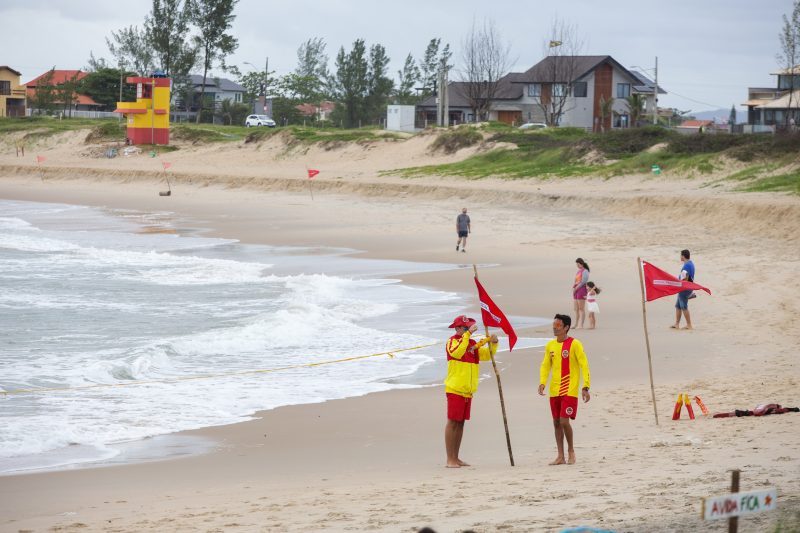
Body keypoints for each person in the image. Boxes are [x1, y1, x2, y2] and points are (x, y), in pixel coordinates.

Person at [444, 315, 498, 468]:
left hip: (468, 390)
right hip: (455, 388)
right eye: (466, 328)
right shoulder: (452, 341)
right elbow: (457, 353)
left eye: (469, 328)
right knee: (453, 421)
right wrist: (467, 335)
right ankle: (450, 459)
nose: (470, 331)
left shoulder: (472, 343)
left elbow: (486, 356)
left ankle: (456, 457)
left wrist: (493, 343)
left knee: (460, 424)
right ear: (458, 328)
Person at [538, 314, 591, 465]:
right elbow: (545, 365)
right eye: (554, 325)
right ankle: (560, 456)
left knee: (564, 421)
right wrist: (542, 382)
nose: (555, 328)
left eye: (558, 326)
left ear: (566, 327)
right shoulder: (550, 345)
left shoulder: (575, 344)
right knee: (556, 422)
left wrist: (585, 386)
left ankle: (571, 451)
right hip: (554, 389)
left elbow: (584, 364)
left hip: (570, 389)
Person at [671, 249, 696, 330]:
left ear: (683, 256)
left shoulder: (686, 266)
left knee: (683, 306)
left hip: (684, 288)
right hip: (687, 287)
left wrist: (679, 284)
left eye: (680, 255)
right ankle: (677, 324)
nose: (680, 257)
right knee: (678, 306)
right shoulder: (691, 263)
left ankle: (689, 325)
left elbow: (685, 278)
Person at [572, 258, 590, 329]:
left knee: (581, 309)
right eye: (576, 264)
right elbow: (576, 280)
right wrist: (574, 288)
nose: (577, 265)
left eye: (578, 264)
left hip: (581, 290)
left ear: (582, 264)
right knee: (576, 309)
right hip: (576, 289)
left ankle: (581, 325)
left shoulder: (585, 271)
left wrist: (576, 288)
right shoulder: (578, 271)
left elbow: (583, 282)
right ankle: (576, 324)